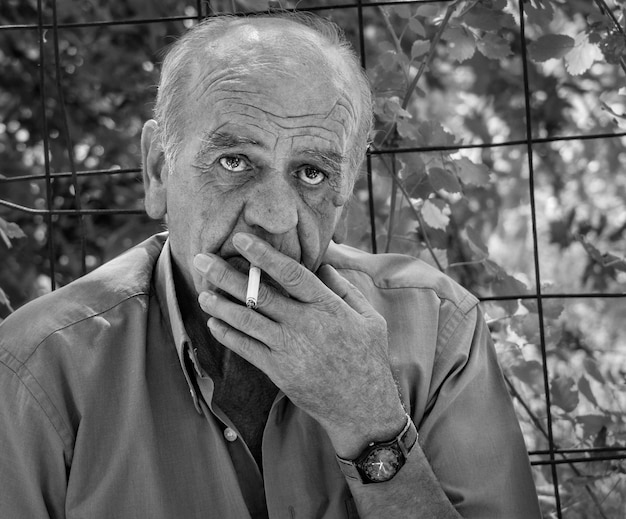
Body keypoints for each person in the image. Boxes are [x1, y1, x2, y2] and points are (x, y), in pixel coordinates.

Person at [0, 12, 541, 519]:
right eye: (234, 162)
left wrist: (369, 420)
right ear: (159, 171)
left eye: (310, 173)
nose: (274, 218)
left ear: (345, 192)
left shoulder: (441, 333)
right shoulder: (39, 369)